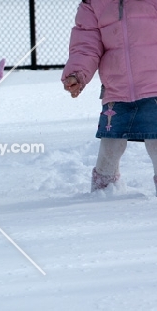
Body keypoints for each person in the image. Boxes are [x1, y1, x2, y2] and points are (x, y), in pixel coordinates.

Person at [62, 0, 157, 195]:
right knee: (110, 147)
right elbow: (86, 46)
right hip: (116, 89)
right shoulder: (93, 4)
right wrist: (77, 73)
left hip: (154, 87)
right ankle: (102, 193)